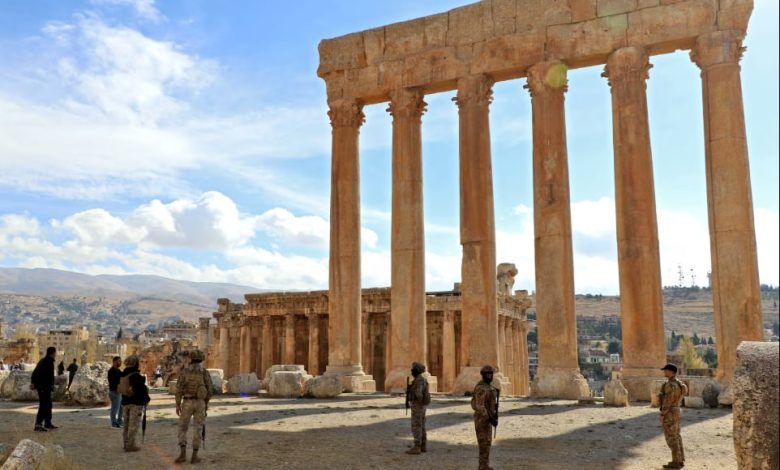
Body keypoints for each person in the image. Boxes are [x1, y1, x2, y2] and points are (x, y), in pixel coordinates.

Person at [175, 349, 213, 464]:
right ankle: (194, 456)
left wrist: (177, 404)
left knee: (182, 427)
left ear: (191, 359)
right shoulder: (204, 372)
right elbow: (210, 390)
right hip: (200, 403)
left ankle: (182, 454)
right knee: (198, 428)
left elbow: (179, 389)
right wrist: (206, 404)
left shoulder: (184, 372)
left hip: (187, 402)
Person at [659, 363, 688, 469]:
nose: (664, 372)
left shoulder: (670, 385)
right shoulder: (679, 384)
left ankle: (675, 461)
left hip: (670, 412)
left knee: (671, 437)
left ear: (671, 372)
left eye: (666, 370)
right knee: (676, 436)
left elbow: (667, 401)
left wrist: (663, 414)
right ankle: (680, 460)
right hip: (677, 410)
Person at [119, 355, 150, 452]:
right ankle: (131, 445)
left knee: (126, 425)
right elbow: (141, 389)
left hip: (125, 403)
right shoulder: (135, 375)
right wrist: (146, 399)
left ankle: (126, 443)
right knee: (134, 425)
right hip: (135, 404)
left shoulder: (123, 374)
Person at [471, 365, 499, 470]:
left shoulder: (489, 387)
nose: (489, 376)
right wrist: (490, 418)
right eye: (487, 374)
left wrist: (494, 409)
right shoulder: (481, 388)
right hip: (482, 420)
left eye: (491, 373)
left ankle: (485, 465)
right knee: (483, 443)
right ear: (483, 375)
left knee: (487, 443)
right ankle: (482, 466)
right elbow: (480, 406)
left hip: (488, 419)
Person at [405, 361, 431, 455]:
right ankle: (423, 445)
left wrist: (415, 401)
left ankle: (417, 446)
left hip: (418, 406)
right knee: (422, 425)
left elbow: (418, 394)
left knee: (416, 425)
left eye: (413, 369)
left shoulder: (419, 380)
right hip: (421, 406)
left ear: (416, 370)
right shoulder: (421, 379)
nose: (412, 371)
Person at [30, 346, 58, 432]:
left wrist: (51, 385)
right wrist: (34, 383)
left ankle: (47, 423)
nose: (55, 355)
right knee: (43, 405)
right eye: (55, 353)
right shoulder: (46, 362)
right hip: (43, 387)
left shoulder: (45, 361)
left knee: (48, 405)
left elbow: (47, 375)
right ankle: (38, 425)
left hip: (46, 387)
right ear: (53, 353)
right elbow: (37, 373)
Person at [108, 356, 124, 428]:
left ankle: (119, 421)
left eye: (120, 361)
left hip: (120, 392)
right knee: (115, 408)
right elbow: (113, 382)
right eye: (119, 361)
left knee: (121, 407)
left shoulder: (118, 370)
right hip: (115, 392)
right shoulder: (111, 371)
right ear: (114, 362)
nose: (120, 362)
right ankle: (114, 423)